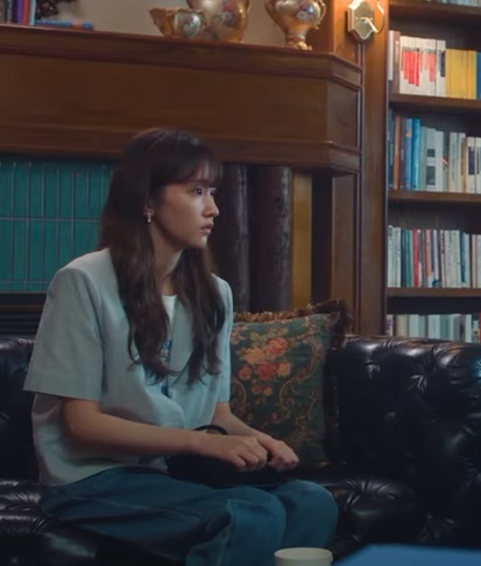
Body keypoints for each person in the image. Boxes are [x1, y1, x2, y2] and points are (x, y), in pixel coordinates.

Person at [24, 127, 339, 566]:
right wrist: (200, 444)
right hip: (90, 478)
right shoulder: (82, 282)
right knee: (249, 512)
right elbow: (82, 424)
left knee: (312, 501)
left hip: (172, 471)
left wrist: (262, 442)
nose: (213, 208)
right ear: (148, 201)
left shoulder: (215, 294)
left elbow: (217, 414)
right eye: (196, 191)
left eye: (212, 192)